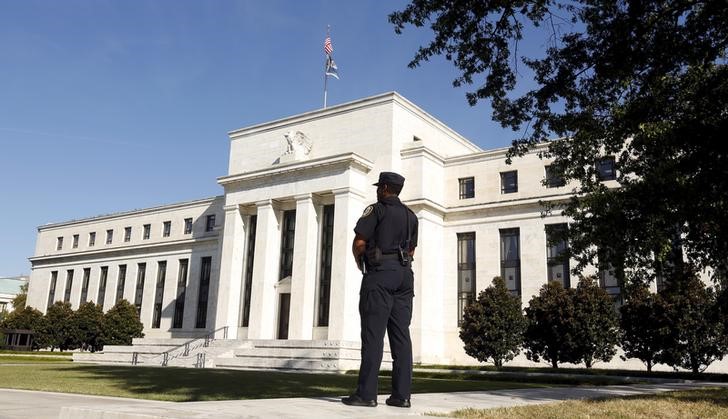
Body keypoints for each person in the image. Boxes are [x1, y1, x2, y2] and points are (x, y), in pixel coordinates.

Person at [341, 171, 418, 408]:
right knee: (401, 337)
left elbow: (359, 242)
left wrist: (360, 261)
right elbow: (412, 249)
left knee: (373, 336)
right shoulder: (411, 215)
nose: (377, 190)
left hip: (380, 275)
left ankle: (366, 395)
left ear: (384, 188)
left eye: (379, 187)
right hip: (405, 276)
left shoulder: (376, 210)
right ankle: (401, 396)